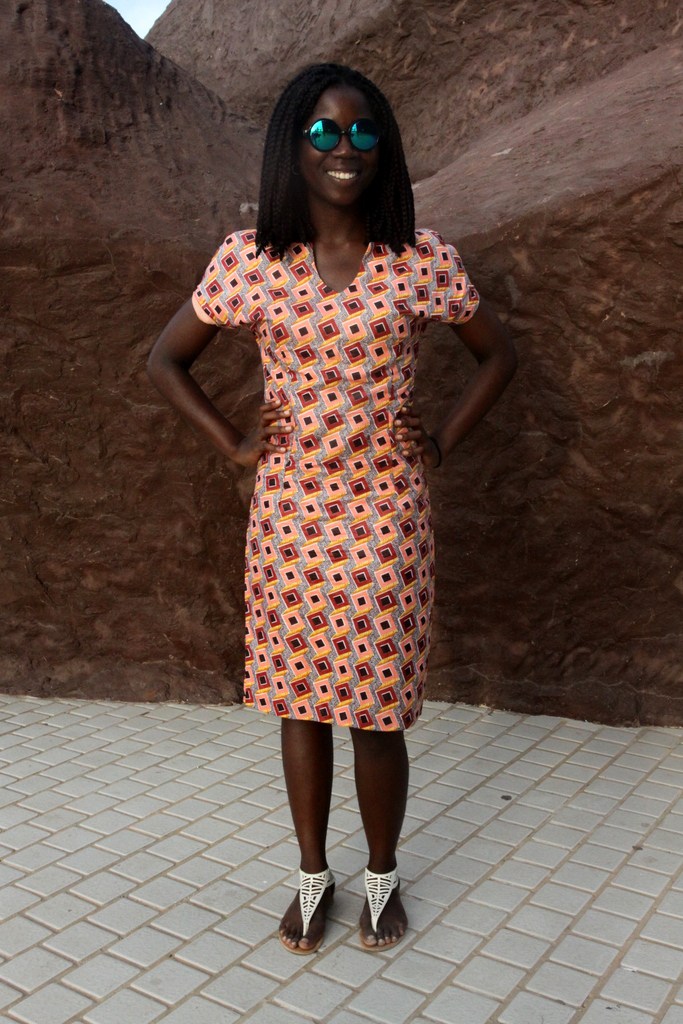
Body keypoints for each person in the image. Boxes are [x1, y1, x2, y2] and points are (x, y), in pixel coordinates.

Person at [147, 62, 517, 955]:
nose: (343, 148)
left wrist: (439, 441)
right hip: (289, 520)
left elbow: (497, 356)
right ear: (293, 146)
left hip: (386, 518)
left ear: (383, 147)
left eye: (361, 130)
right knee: (301, 705)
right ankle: (313, 876)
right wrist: (235, 442)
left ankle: (381, 876)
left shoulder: (419, 259)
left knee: (376, 711)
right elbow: (166, 359)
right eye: (322, 131)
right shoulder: (250, 260)